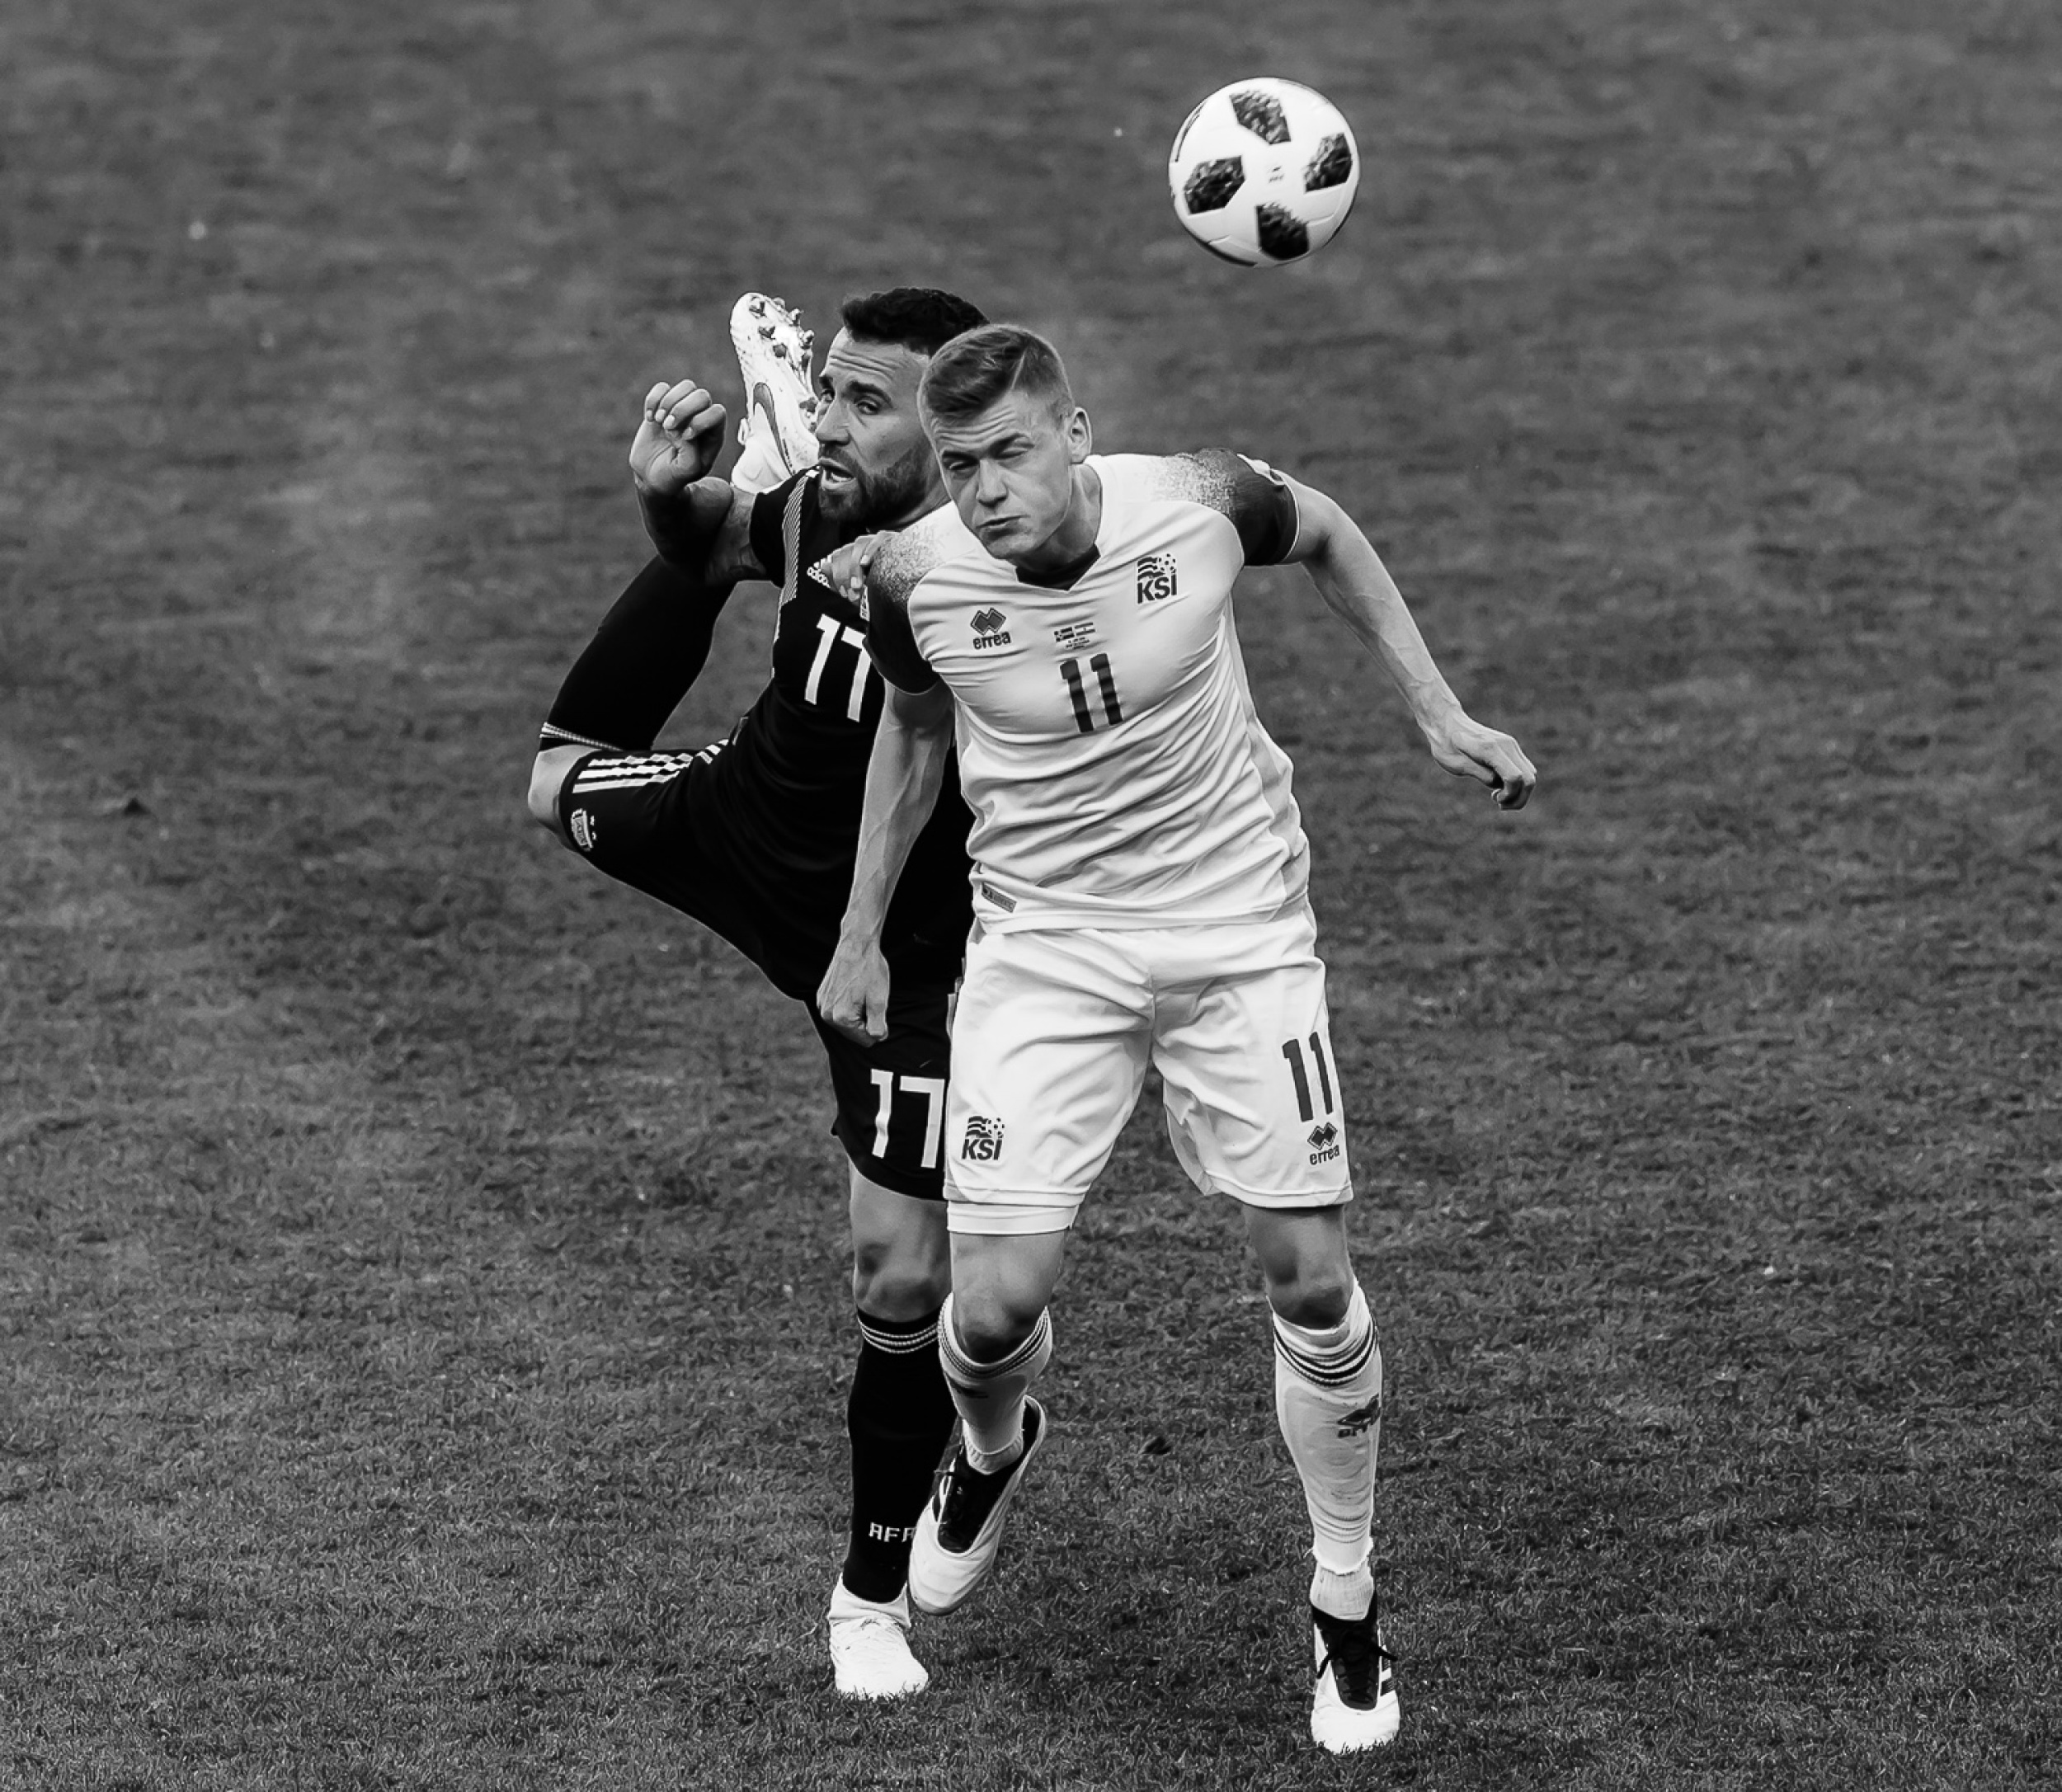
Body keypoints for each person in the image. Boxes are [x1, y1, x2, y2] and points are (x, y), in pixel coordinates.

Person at [816, 323, 1536, 1753]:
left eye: (1012, 454)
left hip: (1237, 933)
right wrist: (859, 929)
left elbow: (1325, 531)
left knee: (1310, 1277)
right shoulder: (914, 578)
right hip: (1045, 951)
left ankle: (1345, 1607)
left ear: (1077, 432)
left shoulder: (1199, 501)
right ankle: (992, 1446)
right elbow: (911, 732)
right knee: (991, 1310)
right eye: (959, 468)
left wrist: (1437, 709)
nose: (987, 491)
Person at [525, 287, 989, 1700]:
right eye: (829, 396)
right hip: (743, 824)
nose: (843, 422)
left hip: (899, 948)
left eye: (865, 404)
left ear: (958, 433)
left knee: (902, 1276)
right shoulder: (819, 518)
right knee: (556, 779)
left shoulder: (1001, 577)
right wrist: (667, 499)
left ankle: (870, 1600)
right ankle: (757, 453)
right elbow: (712, 543)